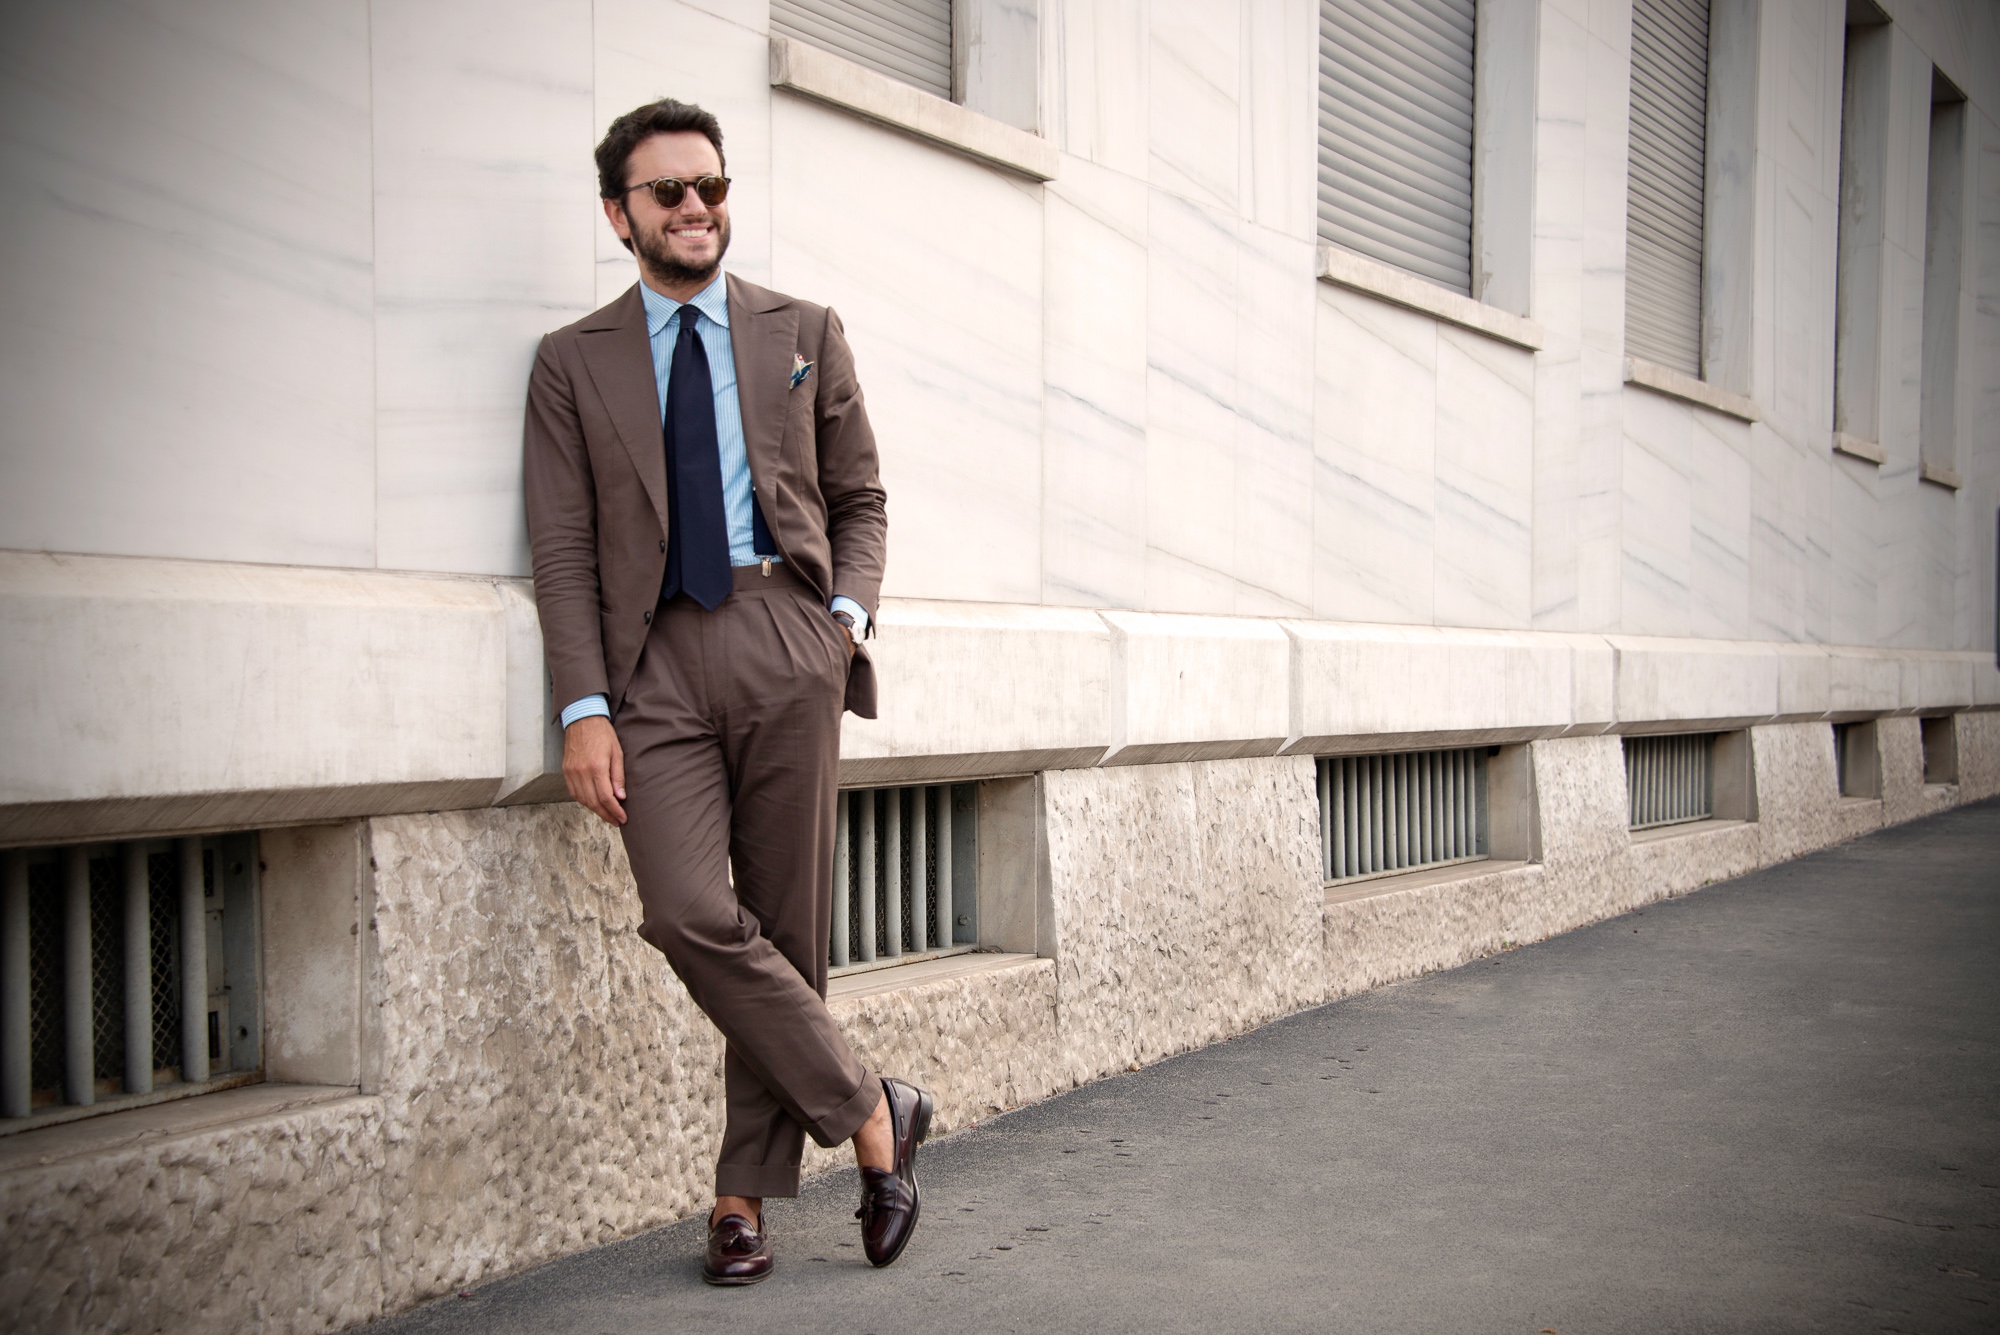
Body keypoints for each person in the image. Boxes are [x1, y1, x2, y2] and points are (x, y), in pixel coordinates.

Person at [523, 96, 930, 1285]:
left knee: (786, 929)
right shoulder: (571, 362)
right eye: (669, 193)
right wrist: (582, 707)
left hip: (782, 635)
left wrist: (839, 621)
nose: (698, 208)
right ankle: (872, 1112)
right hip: (650, 667)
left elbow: (861, 501)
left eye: (712, 187)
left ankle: (737, 1200)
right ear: (620, 215)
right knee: (688, 911)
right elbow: (559, 545)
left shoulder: (801, 327)